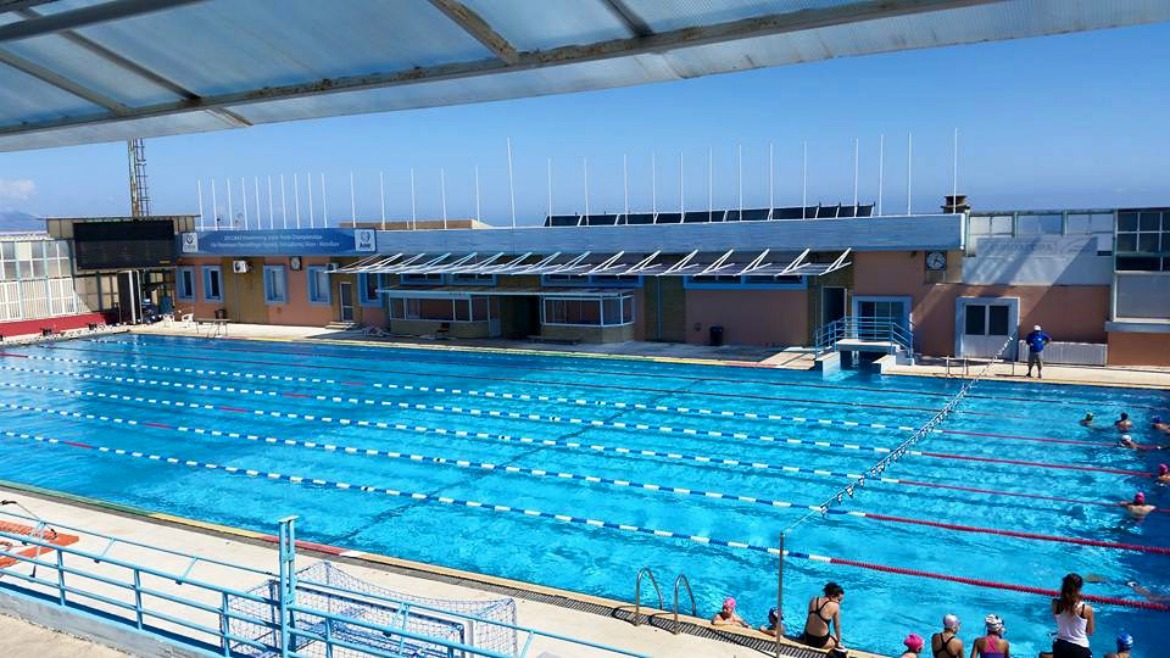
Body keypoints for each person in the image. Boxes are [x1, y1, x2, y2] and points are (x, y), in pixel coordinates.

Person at [1051, 573, 1094, 658]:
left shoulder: (1055, 604)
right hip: (1080, 650)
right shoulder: (1086, 609)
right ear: (1080, 588)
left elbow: (1058, 620)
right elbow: (1090, 631)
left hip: (1060, 647)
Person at [799, 582, 844, 650]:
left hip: (808, 638)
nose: (839, 602)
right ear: (832, 595)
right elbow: (837, 626)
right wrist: (839, 642)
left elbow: (809, 619)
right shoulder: (835, 606)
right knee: (835, 637)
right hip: (821, 642)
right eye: (839, 600)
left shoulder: (814, 599)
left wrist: (803, 635)